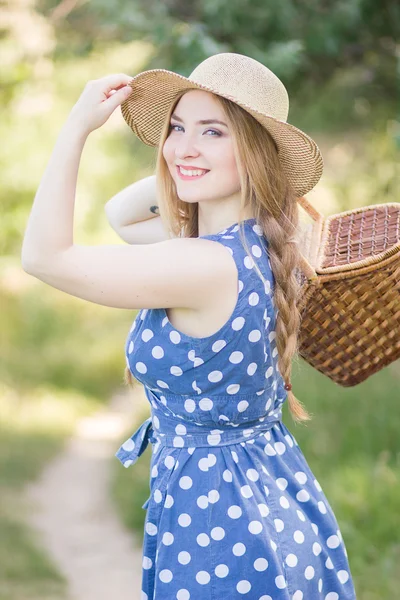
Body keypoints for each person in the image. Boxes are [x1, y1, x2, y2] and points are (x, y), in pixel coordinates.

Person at [21, 53, 357, 599]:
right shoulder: (261, 247)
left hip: (219, 523)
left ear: (254, 152)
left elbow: (42, 257)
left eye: (213, 131)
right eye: (176, 128)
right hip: (268, 503)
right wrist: (190, 163)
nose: (183, 145)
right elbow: (123, 216)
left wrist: (76, 128)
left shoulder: (202, 266)